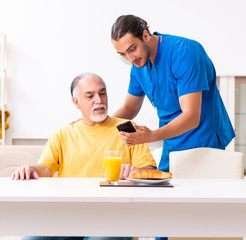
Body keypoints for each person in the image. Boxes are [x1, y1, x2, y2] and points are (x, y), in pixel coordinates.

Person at [12, 72, 157, 240]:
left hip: (113, 215)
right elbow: (44, 168)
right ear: (76, 102)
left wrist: (136, 171)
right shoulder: (63, 134)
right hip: (68, 216)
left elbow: (150, 170)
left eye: (103, 93)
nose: (99, 100)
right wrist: (31, 169)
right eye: (90, 96)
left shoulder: (127, 128)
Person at [110, 15, 235, 174]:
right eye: (122, 54)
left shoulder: (185, 53)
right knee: (163, 195)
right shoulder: (138, 66)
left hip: (203, 141)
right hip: (172, 144)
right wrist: (99, 125)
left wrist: (151, 136)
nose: (129, 58)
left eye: (132, 49)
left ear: (145, 36)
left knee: (200, 196)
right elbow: (129, 108)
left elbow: (191, 117)